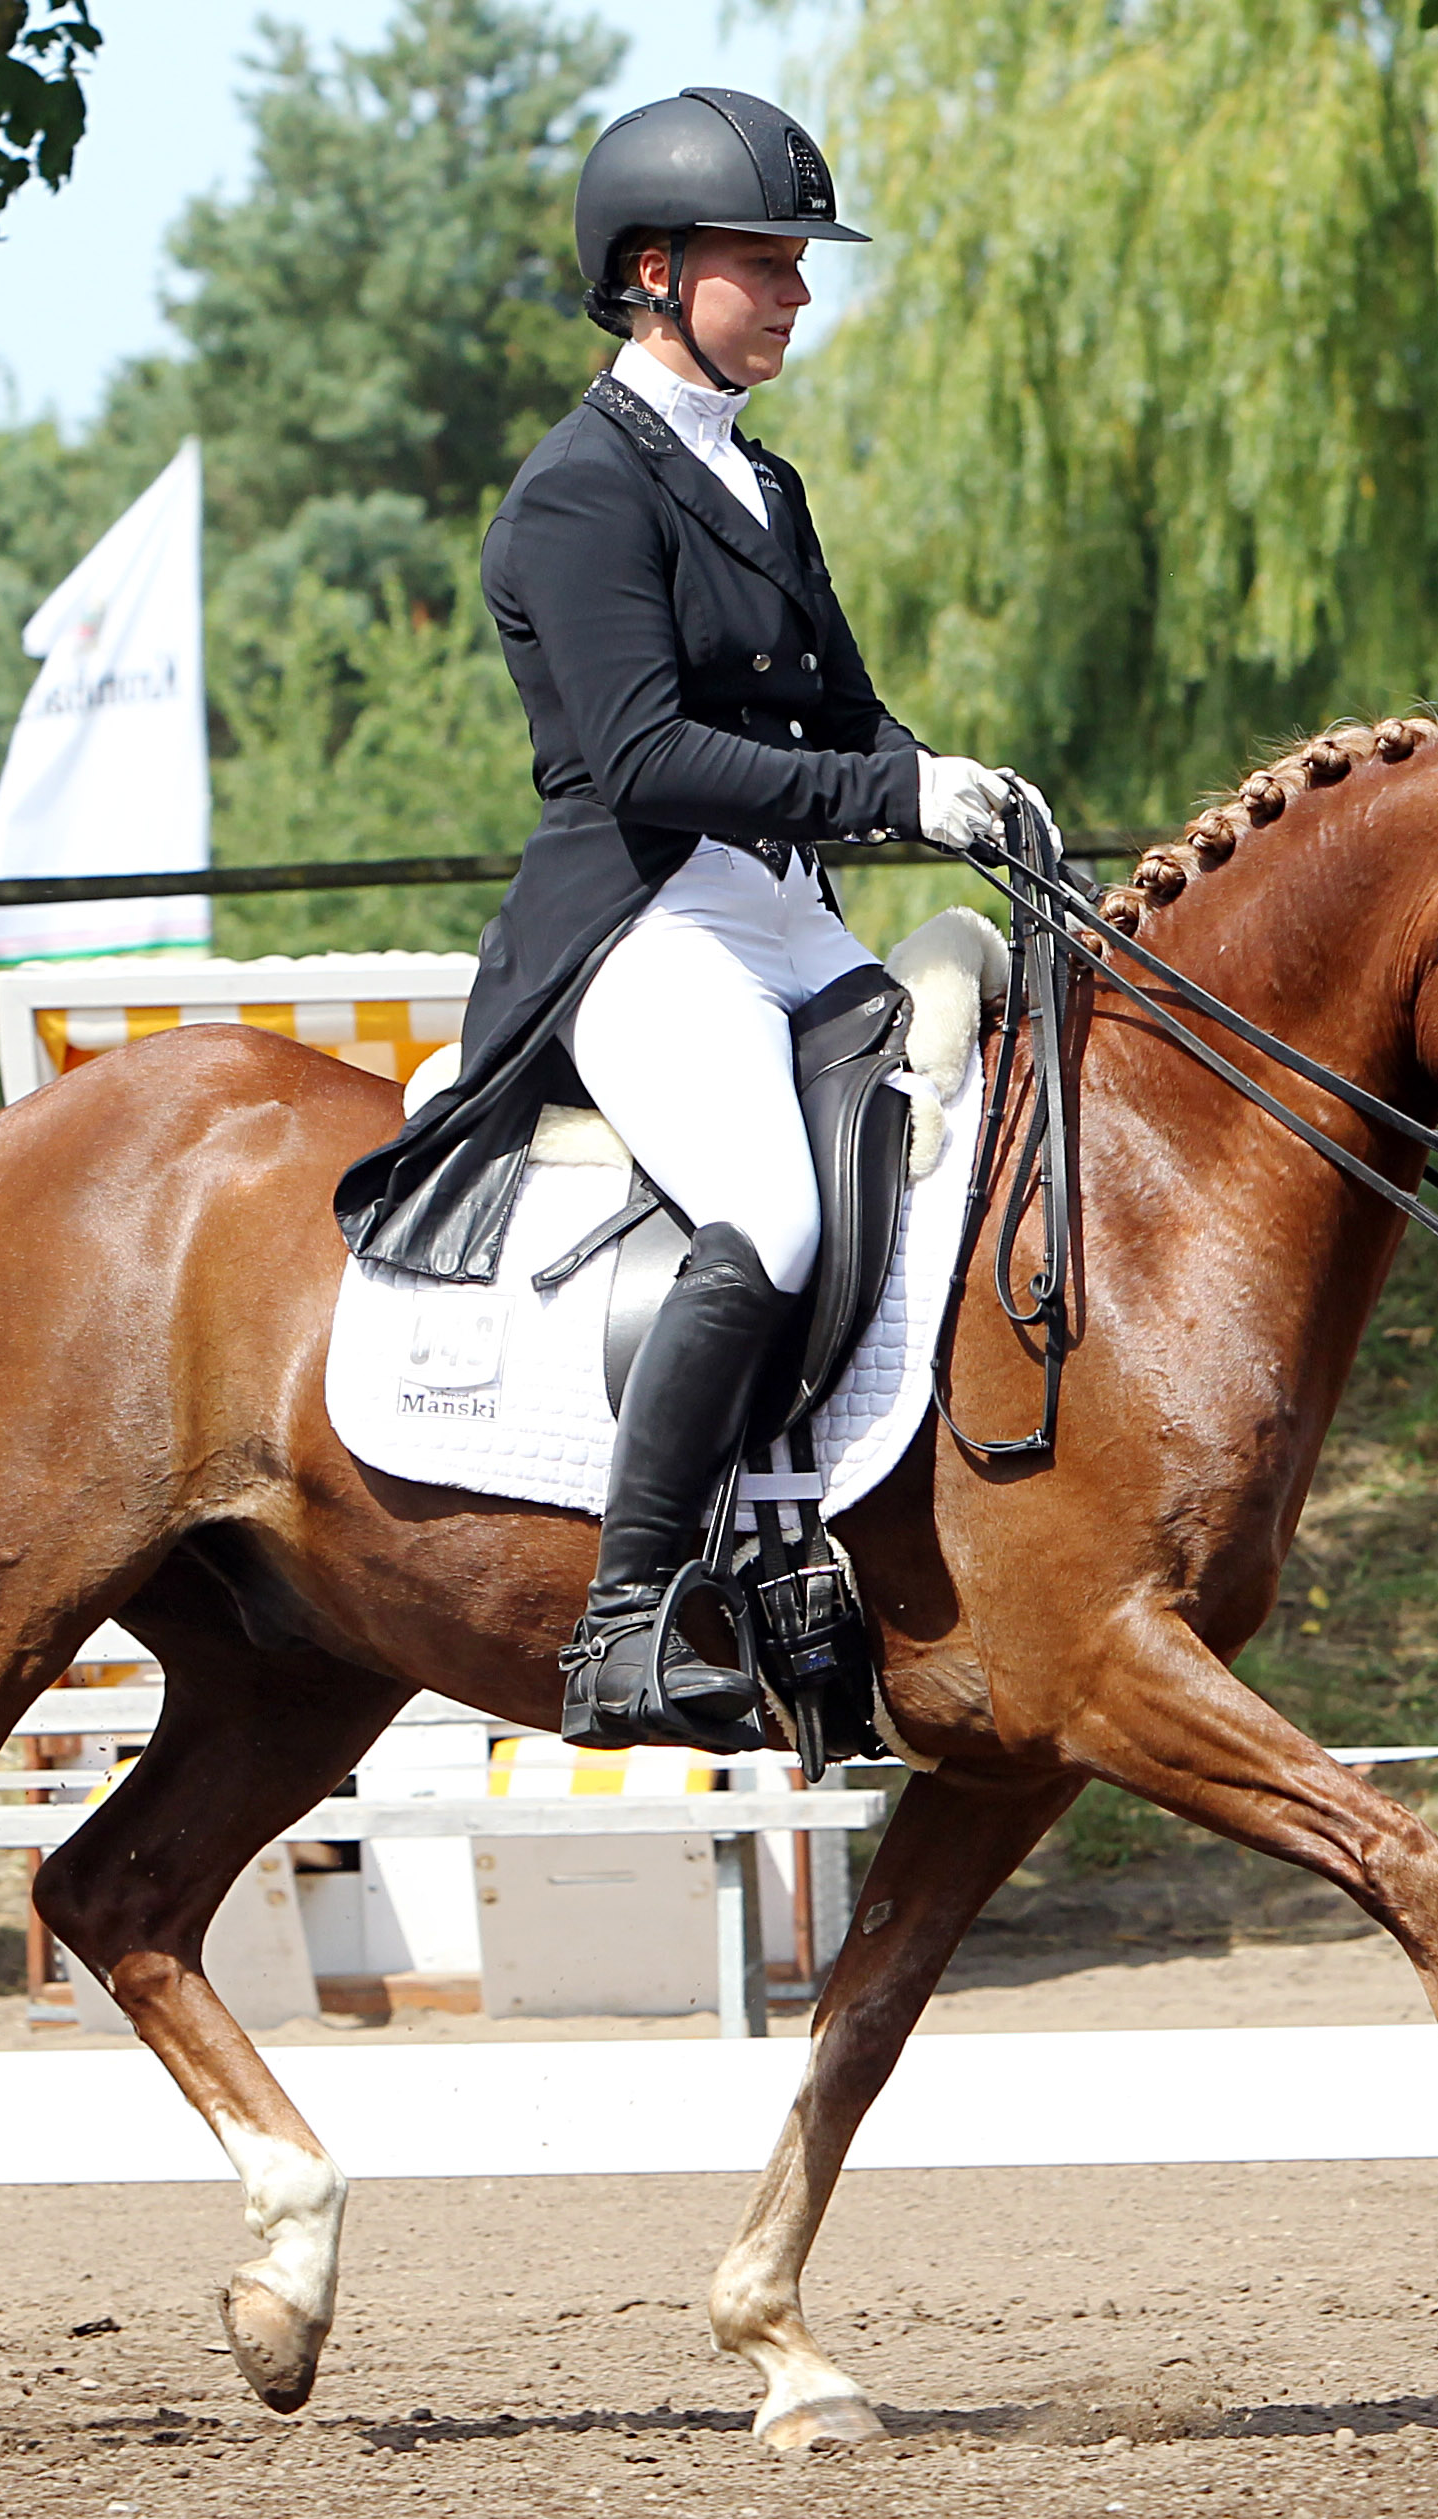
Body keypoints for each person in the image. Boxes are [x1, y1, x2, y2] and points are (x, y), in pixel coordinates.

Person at [334, 86, 1057, 1754]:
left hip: (787, 915)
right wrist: (887, 804)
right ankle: (626, 1620)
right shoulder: (580, 492)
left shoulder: (762, 483)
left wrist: (946, 781)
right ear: (653, 271)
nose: (799, 293)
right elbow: (650, 754)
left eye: (802, 264)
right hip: (646, 925)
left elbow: (847, 719)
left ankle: (844, 1538)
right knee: (774, 1218)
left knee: (947, 1167)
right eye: (767, 264)